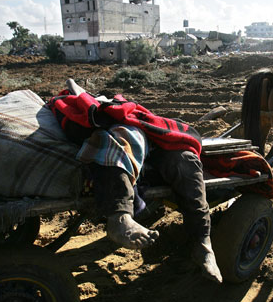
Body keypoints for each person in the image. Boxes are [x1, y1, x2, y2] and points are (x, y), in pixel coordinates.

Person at [51, 80, 223, 283]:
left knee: (185, 162)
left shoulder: (124, 106)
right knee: (118, 139)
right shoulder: (90, 105)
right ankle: (120, 217)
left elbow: (144, 118)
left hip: (158, 139)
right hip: (134, 137)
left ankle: (203, 242)